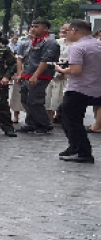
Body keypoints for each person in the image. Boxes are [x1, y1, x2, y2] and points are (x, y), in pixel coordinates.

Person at [55, 20, 101, 163]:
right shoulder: (98, 44)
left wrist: (61, 69)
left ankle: (83, 151)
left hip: (79, 88)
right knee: (66, 114)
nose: (66, 33)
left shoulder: (77, 47)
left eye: (67, 30)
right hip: (96, 87)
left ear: (75, 31)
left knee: (71, 119)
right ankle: (74, 146)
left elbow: (75, 70)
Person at [17, 19, 60, 134]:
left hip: (40, 76)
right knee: (25, 99)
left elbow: (45, 60)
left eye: (36, 26)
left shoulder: (50, 42)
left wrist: (36, 75)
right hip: (28, 74)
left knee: (35, 100)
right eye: (32, 26)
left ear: (45, 28)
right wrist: (20, 73)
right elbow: (23, 59)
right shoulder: (33, 41)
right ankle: (31, 123)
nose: (32, 29)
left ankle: (45, 123)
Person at [46, 23, 72, 124]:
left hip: (68, 75)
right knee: (49, 96)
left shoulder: (76, 44)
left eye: (67, 29)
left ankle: (61, 117)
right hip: (53, 72)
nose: (64, 31)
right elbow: (50, 56)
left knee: (61, 97)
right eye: (63, 29)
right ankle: (49, 118)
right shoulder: (56, 42)